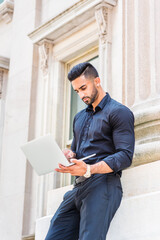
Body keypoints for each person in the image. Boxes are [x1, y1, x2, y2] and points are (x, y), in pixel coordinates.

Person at [45, 62, 135, 240]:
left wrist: (89, 169)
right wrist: (70, 155)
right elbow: (78, 153)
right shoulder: (78, 118)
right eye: (77, 91)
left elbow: (125, 156)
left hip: (104, 185)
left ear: (97, 81)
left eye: (83, 88)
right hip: (77, 188)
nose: (81, 95)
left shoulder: (119, 112)